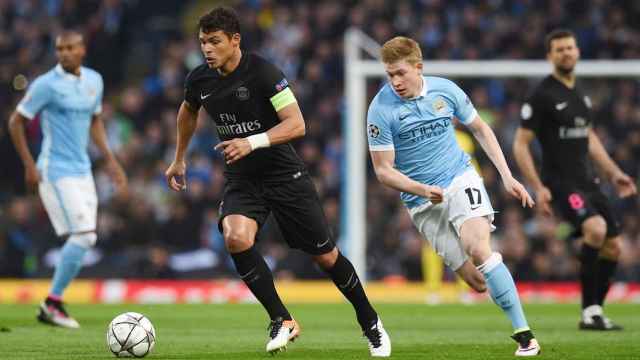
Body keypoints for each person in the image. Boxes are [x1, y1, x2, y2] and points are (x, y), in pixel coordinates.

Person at [164, 7, 391, 356]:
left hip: (285, 175)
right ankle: (281, 319)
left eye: (214, 42)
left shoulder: (264, 72)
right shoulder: (199, 80)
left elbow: (297, 124)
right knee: (236, 237)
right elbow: (188, 110)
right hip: (243, 178)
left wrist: (252, 141)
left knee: (326, 257)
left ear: (234, 40)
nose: (207, 49)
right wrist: (179, 158)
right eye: (202, 42)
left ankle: (370, 321)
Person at [367, 36, 540, 357]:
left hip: (460, 177)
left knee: (479, 248)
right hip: (422, 201)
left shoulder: (446, 90)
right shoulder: (380, 110)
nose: (395, 82)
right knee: (475, 281)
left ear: (418, 67)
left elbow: (481, 129)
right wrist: (421, 190)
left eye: (401, 73)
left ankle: (525, 336)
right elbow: (383, 171)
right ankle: (500, 285)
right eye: (390, 75)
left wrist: (506, 175)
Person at [513, 29, 637, 331]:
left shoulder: (580, 94)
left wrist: (614, 173)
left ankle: (593, 311)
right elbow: (520, 143)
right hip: (560, 183)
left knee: (614, 248)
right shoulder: (542, 95)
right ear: (550, 56)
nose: (566, 53)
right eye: (559, 49)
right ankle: (588, 312)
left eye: (570, 48)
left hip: (589, 181)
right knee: (596, 229)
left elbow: (589, 138)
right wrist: (538, 186)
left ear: (578, 52)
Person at [8, 31, 128, 328]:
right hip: (55, 169)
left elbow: (95, 120)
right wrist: (29, 165)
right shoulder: (46, 85)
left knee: (87, 237)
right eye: (59, 48)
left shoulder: (94, 81)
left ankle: (53, 301)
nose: (63, 53)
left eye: (70, 48)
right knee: (84, 235)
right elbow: (16, 121)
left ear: (82, 49)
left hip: (83, 169)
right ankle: (52, 303)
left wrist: (111, 160)